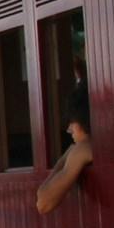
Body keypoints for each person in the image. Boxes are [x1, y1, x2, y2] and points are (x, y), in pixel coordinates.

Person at [36, 84, 94, 213]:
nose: (69, 129)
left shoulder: (83, 149)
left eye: (72, 121)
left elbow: (43, 204)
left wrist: (65, 157)